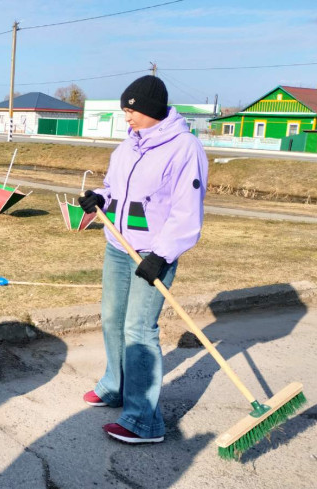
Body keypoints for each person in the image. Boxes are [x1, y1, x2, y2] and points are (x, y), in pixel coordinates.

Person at [77, 75, 208, 444]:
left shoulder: (185, 148)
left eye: (131, 110)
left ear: (151, 110)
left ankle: (143, 421)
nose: (126, 117)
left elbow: (187, 211)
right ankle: (115, 386)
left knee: (138, 329)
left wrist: (162, 256)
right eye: (124, 110)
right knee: (112, 319)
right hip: (118, 247)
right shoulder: (127, 146)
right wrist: (99, 198)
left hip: (153, 253)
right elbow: (114, 188)